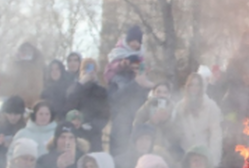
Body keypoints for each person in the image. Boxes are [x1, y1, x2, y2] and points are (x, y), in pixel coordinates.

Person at [106, 29, 153, 158]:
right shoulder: (118, 79)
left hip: (141, 134)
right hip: (121, 130)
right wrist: (136, 83)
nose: (135, 70)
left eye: (138, 68)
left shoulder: (147, 84)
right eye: (133, 67)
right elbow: (115, 99)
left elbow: (152, 106)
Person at [168, 75, 222, 167]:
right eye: (191, 85)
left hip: (204, 154)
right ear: (187, 87)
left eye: (197, 85)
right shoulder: (179, 107)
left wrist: (213, 159)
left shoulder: (211, 106)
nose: (194, 88)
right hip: (185, 154)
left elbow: (216, 136)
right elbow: (174, 133)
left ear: (202, 87)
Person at [65, 61, 109, 154]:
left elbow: (105, 114)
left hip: (94, 135)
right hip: (76, 133)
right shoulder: (75, 88)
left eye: (92, 70)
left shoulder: (101, 91)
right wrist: (81, 83)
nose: (89, 72)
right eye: (86, 69)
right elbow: (69, 101)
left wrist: (93, 126)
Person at [132, 83, 175, 152]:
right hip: (147, 148)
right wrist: (152, 121)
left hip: (167, 149)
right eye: (158, 91)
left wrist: (166, 121)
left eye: (165, 92)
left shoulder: (173, 108)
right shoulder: (147, 106)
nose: (162, 95)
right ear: (153, 93)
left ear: (169, 94)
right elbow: (136, 126)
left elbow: (177, 134)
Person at [2, 42, 45, 108]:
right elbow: (8, 85)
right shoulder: (13, 67)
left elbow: (37, 90)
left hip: (31, 105)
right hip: (14, 105)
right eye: (23, 51)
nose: (26, 54)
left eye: (28, 51)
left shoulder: (37, 70)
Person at [0, 96, 27, 168]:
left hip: (19, 166)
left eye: (16, 114)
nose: (13, 117)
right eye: (10, 114)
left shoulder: (25, 129)